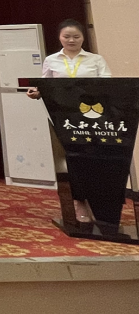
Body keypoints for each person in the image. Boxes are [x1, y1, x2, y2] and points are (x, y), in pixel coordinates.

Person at [27, 19, 112, 224]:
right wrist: (37, 93)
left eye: (76, 36)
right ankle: (79, 201)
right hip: (64, 117)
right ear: (59, 38)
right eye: (67, 36)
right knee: (72, 160)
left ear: (83, 38)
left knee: (94, 159)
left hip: (92, 117)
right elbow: (45, 86)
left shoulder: (95, 60)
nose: (71, 40)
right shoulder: (51, 60)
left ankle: (98, 202)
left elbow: (109, 85)